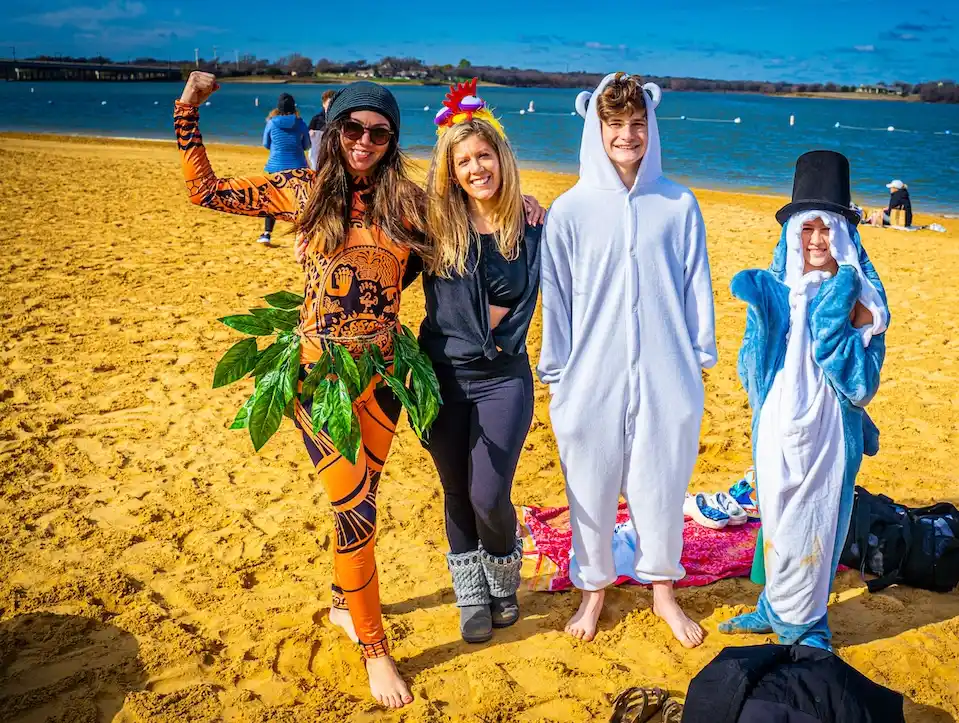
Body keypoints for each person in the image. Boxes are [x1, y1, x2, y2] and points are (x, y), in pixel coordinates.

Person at [175, 71, 426, 709]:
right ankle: (373, 648)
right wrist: (188, 111)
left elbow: (465, 232)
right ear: (333, 130)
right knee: (357, 513)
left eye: (378, 131)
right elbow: (206, 192)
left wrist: (529, 207)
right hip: (319, 379)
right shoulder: (302, 192)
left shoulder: (408, 204)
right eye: (352, 127)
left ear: (391, 140)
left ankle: (344, 604)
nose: (363, 140)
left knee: (363, 499)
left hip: (386, 376)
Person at [537, 72, 717, 648]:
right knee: (588, 485)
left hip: (669, 372)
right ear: (596, 127)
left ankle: (663, 590)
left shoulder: (678, 203)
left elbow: (697, 285)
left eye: (638, 123)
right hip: (589, 376)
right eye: (615, 124)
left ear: (651, 127)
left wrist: (697, 358)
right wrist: (559, 374)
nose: (628, 134)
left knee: (662, 481)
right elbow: (556, 298)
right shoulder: (569, 211)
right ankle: (593, 592)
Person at [719, 150, 889, 651]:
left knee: (815, 522)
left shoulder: (863, 298)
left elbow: (860, 384)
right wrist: (761, 319)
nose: (816, 240)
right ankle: (772, 607)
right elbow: (753, 366)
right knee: (774, 515)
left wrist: (836, 305)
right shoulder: (782, 285)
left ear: (841, 232)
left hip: (826, 425)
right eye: (807, 229)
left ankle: (809, 625)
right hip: (776, 421)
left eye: (825, 229)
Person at [420, 80, 542, 644]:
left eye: (484, 156)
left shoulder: (533, 225)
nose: (475, 168)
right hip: (440, 374)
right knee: (454, 487)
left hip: (503, 378)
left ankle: (502, 578)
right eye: (463, 161)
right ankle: (472, 593)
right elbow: (370, 247)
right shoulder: (432, 225)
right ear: (450, 169)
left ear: (501, 158)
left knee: (489, 492)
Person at [258, 92, 310, 244]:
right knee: (299, 201)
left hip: (275, 167)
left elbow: (266, 144)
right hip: (298, 167)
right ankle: (303, 236)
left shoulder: (272, 123)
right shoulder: (300, 123)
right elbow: (307, 145)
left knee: (272, 200)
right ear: (294, 107)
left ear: (278, 107)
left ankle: (267, 233)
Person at [308, 89, 337, 170]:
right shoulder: (316, 119)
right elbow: (307, 133)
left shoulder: (339, 119)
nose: (331, 106)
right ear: (324, 104)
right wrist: (311, 133)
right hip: (318, 154)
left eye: (333, 103)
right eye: (329, 103)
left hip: (333, 155)